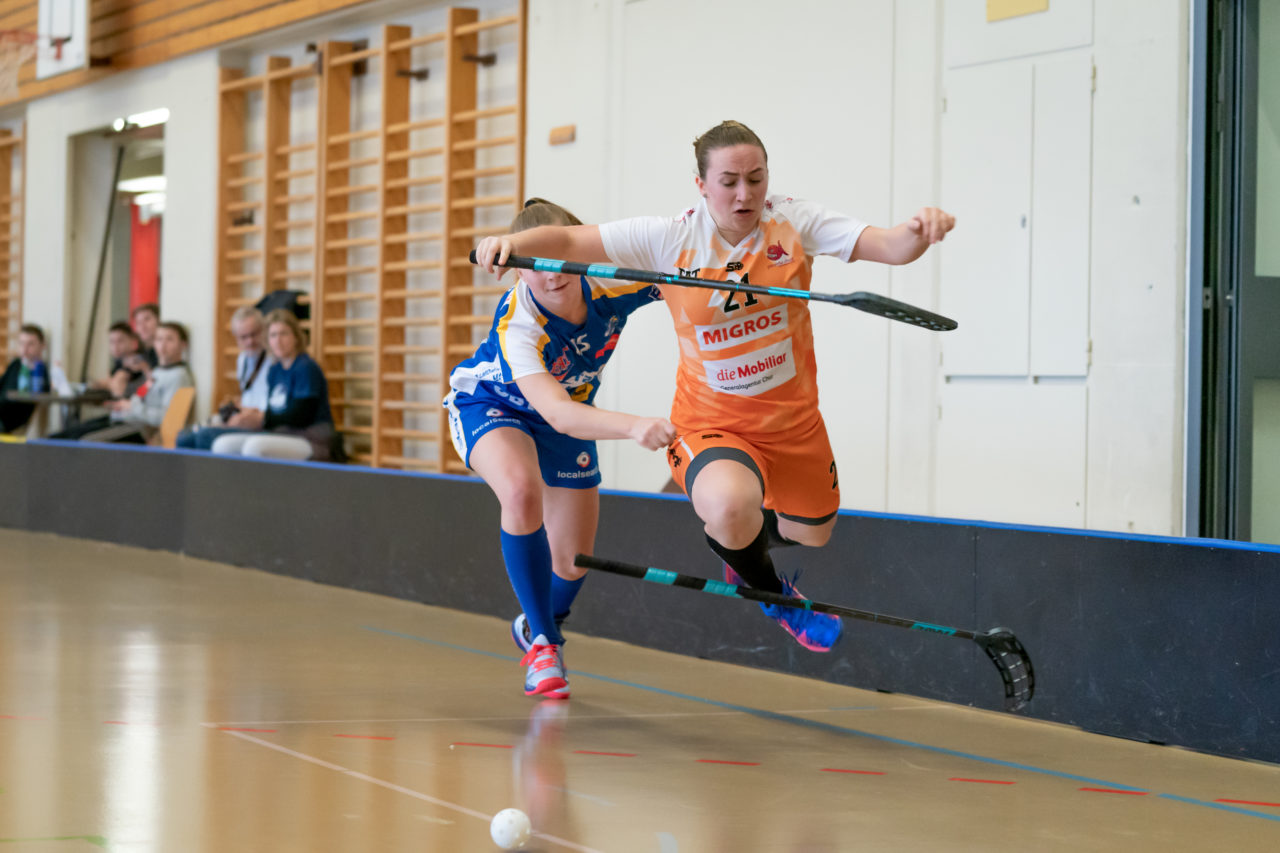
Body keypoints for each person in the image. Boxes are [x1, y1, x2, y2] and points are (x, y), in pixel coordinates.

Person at [476, 121, 955, 654]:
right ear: (701, 185)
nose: (744, 193)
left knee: (811, 532)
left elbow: (889, 245)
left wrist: (919, 229)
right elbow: (565, 240)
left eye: (756, 178)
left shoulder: (794, 223)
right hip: (710, 423)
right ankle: (772, 593)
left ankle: (739, 551)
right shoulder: (668, 239)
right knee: (729, 505)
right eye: (728, 180)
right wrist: (509, 244)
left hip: (793, 423)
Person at [446, 198, 672, 700]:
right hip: (494, 407)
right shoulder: (520, 328)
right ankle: (545, 645)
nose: (552, 277)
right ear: (518, 274)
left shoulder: (613, 282)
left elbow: (683, 275)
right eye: (534, 269)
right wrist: (634, 427)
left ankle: (537, 622)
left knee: (572, 561)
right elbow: (560, 415)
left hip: (565, 419)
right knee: (522, 491)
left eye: (560, 263)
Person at [209, 309, 338, 461]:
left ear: (296, 336)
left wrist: (262, 418)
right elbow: (272, 411)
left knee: (254, 447)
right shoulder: (274, 370)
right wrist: (250, 415)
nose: (278, 340)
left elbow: (302, 416)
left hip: (310, 438)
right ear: (267, 340)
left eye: (284, 334)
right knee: (223, 445)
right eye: (273, 335)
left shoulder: (306, 367)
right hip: (281, 434)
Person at [79, 321, 195, 443]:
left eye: (169, 340)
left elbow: (167, 418)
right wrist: (124, 403)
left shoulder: (179, 376)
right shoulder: (156, 372)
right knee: (71, 433)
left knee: (85, 442)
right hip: (126, 418)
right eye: (159, 339)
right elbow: (141, 394)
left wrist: (133, 407)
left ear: (183, 345)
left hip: (142, 430)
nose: (162, 345)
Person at [176, 306, 273, 450]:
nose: (249, 342)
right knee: (184, 437)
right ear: (236, 338)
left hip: (260, 422)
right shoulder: (243, 360)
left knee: (205, 435)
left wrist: (248, 415)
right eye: (243, 337)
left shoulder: (274, 360)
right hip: (243, 417)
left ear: (264, 331)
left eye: (254, 334)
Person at [1, 324, 61, 433]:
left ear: (42, 346)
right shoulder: (16, 364)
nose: (24, 349)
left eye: (30, 344)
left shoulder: (40, 370)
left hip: (8, 421)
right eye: (22, 344)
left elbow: (45, 392)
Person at [92, 321, 147, 399]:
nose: (115, 346)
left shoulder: (136, 360)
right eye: (112, 342)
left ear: (132, 342)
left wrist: (108, 383)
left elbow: (118, 390)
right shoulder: (119, 362)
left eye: (120, 341)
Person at [130, 303, 160, 369]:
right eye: (138, 322)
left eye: (147, 319)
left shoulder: (163, 351)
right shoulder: (139, 353)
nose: (142, 326)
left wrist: (144, 368)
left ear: (159, 320)